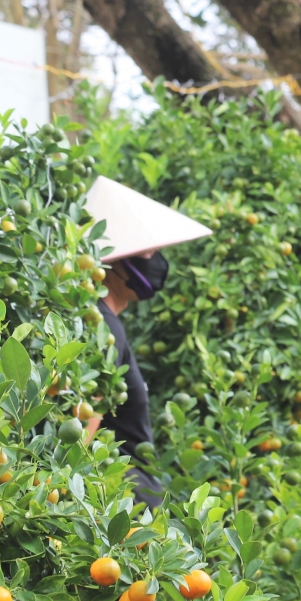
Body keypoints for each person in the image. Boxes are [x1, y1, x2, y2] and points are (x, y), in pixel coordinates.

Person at [82, 176, 212, 506]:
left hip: (131, 495)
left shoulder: (106, 321)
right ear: (114, 260)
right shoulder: (101, 327)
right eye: (146, 251)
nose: (155, 259)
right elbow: (84, 425)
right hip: (120, 500)